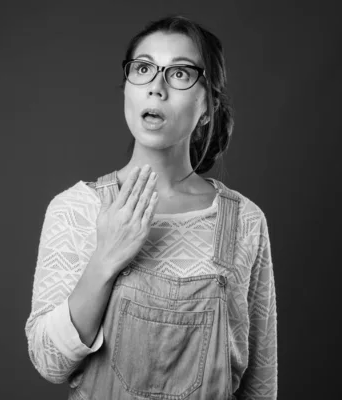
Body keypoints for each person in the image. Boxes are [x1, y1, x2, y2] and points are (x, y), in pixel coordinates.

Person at [25, 15, 277, 400]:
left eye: (179, 74)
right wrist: (105, 259)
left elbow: (260, 384)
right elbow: (49, 362)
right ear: (127, 89)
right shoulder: (76, 209)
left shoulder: (245, 221)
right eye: (143, 69)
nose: (156, 87)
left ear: (208, 106)